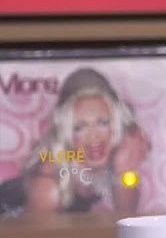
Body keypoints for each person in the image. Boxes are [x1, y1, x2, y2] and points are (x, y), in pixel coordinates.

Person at [0, 67, 150, 216]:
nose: (94, 137)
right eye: (79, 127)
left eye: (102, 123)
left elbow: (128, 213)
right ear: (66, 131)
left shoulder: (117, 157)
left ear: (115, 124)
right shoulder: (49, 184)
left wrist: (126, 170)